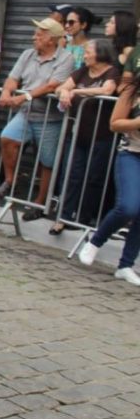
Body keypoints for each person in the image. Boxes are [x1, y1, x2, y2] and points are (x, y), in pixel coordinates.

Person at [0, 17, 75, 219]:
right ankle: (11, 181)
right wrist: (6, 92)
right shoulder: (27, 54)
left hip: (50, 118)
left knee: (47, 161)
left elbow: (52, 85)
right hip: (26, 113)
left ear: (52, 40)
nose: (34, 37)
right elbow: (13, 78)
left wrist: (23, 96)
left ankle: (40, 203)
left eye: (39, 35)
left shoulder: (66, 58)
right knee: (7, 137)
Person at [50, 38, 120, 234]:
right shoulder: (81, 70)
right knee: (72, 175)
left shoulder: (111, 71)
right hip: (78, 133)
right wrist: (64, 91)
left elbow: (107, 89)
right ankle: (64, 216)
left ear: (100, 53)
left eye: (88, 51)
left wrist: (77, 91)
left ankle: (84, 218)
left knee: (94, 177)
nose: (85, 55)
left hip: (101, 135)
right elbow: (60, 87)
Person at [77, 81, 140, 286]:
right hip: (131, 154)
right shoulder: (132, 91)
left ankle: (125, 265)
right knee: (128, 207)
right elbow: (115, 123)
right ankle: (95, 242)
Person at [108, 11, 139, 84]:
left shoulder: (129, 51)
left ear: (122, 26)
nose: (107, 25)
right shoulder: (113, 47)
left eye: (112, 23)